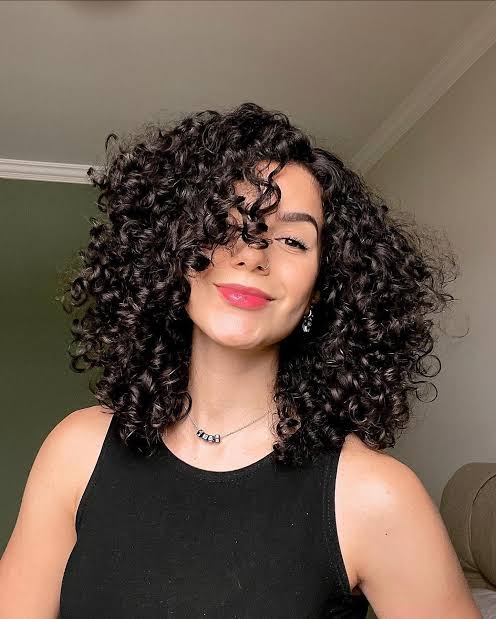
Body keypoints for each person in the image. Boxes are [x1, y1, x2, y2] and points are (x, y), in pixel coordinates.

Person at [0, 102, 482, 618]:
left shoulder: (375, 495)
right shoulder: (77, 448)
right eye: (225, 223)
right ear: (173, 254)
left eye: (292, 239)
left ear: (323, 288)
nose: (252, 253)